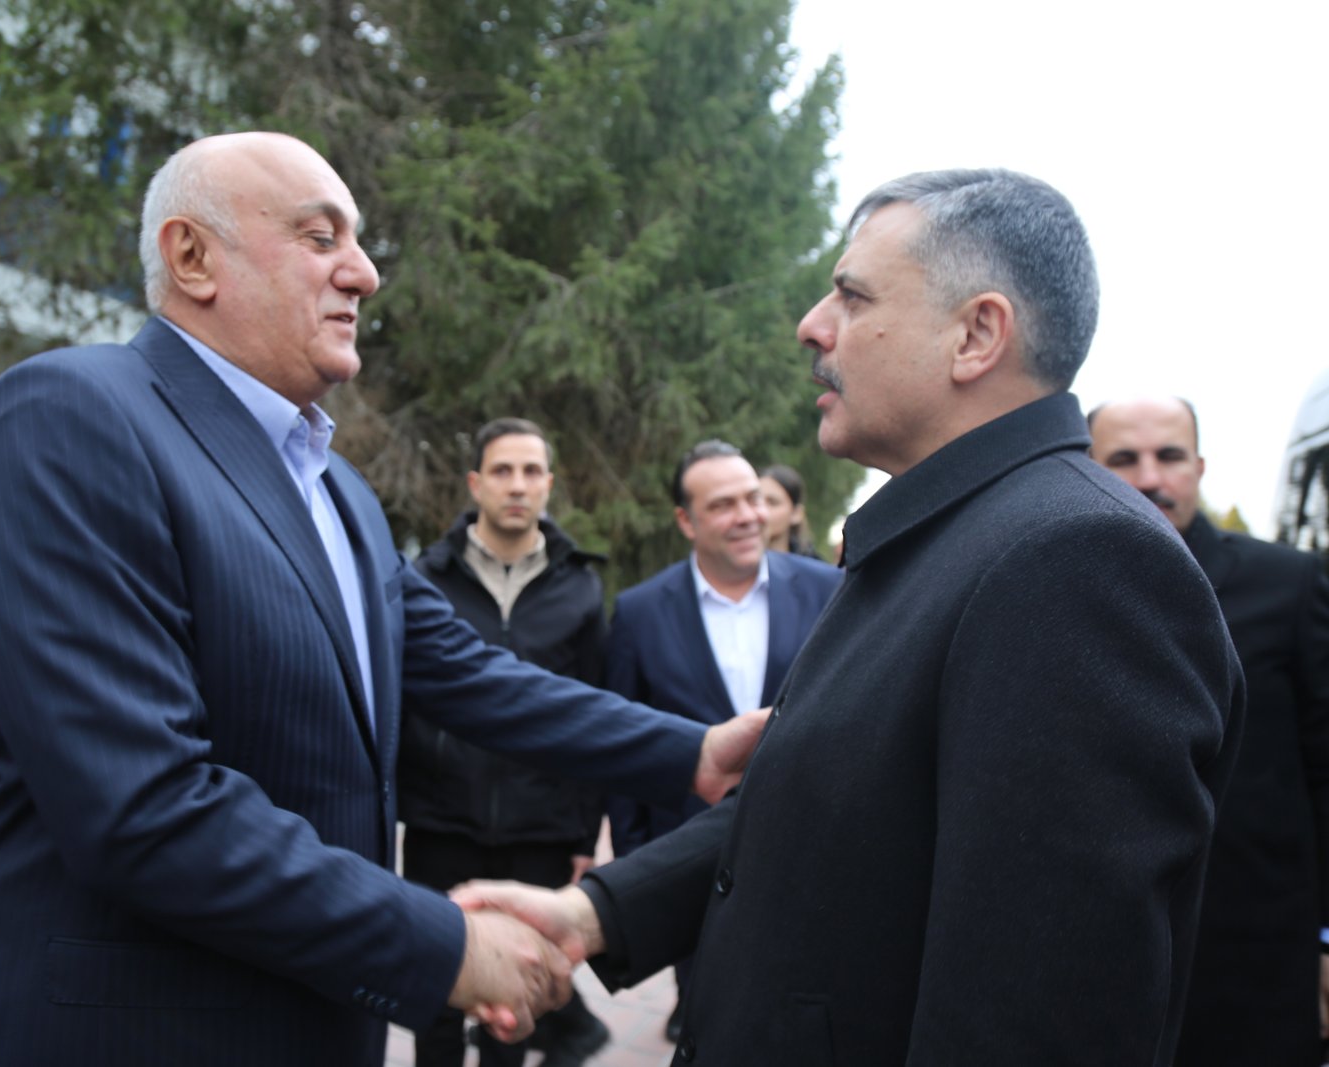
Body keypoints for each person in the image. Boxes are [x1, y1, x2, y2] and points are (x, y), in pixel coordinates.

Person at [0, 132, 765, 1067]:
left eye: (358, 243)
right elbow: (140, 800)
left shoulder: (338, 489)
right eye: (321, 238)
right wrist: (447, 946)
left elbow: (470, 675)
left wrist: (692, 752)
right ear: (191, 256)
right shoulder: (72, 415)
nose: (363, 274)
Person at [454, 169, 1245, 1065]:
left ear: (976, 334)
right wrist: (595, 911)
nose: (812, 325)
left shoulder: (1075, 560)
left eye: (852, 295)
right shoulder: (947, 538)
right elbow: (817, 807)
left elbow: (1039, 1011)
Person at [1089, 395, 1329, 1067]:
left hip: (1260, 962)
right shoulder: (1058, 585)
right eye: (1124, 459)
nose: (1150, 478)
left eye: (1169, 456)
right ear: (1091, 467)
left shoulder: (1287, 585)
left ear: (1198, 467)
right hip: (1104, 967)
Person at [605, 438, 840, 1040]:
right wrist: (638, 868)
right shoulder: (639, 612)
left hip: (808, 858)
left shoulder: (830, 590)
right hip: (690, 866)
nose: (747, 516)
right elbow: (627, 752)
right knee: (706, 1023)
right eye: (723, 505)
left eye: (754, 498)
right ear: (686, 521)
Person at [399, 417, 613, 1067]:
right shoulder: (426, 577)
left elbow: (592, 711)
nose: (517, 485)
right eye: (502, 470)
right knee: (435, 992)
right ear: (475, 483)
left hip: (539, 828)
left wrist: (583, 834)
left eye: (530, 471)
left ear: (548, 483)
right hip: (441, 822)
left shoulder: (580, 585)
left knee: (514, 1001)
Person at [757, 463, 820, 557]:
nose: (761, 510)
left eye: (772, 503)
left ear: (796, 513)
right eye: (756, 500)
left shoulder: (813, 565)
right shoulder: (734, 563)